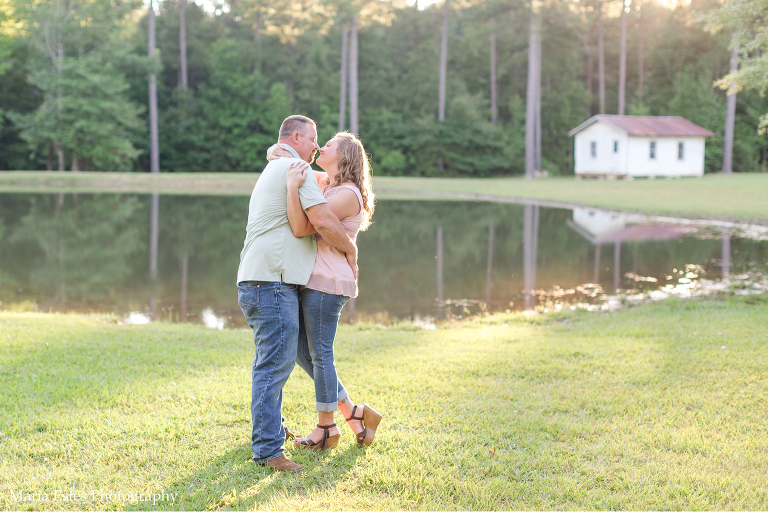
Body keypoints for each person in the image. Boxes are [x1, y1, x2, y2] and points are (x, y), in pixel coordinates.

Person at [236, 115, 359, 473]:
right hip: (271, 281)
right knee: (274, 365)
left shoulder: (281, 165)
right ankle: (268, 451)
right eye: (313, 140)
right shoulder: (295, 169)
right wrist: (351, 249)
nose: (317, 147)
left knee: (274, 360)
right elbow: (319, 221)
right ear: (295, 138)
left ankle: (271, 432)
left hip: (262, 278)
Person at [269, 132, 382, 451]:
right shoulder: (329, 184)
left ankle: (326, 427)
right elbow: (295, 164)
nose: (321, 146)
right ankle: (354, 413)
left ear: (343, 157)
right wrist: (279, 152)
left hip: (327, 282)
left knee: (320, 353)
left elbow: (305, 224)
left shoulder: (346, 194)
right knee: (303, 352)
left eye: (329, 144)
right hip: (314, 280)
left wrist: (293, 188)